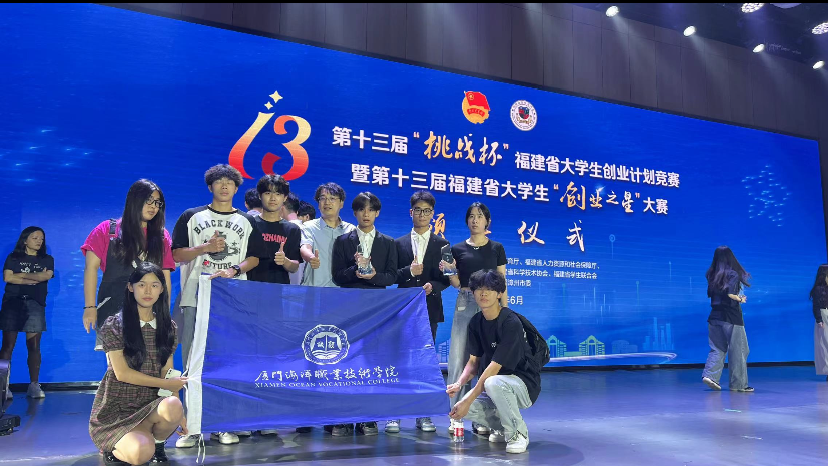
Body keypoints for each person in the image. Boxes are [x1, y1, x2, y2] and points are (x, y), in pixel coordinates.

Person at [171, 164, 263, 448]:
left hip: (233, 300)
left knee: (227, 360)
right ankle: (193, 426)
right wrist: (205, 249)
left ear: (236, 188)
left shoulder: (247, 221)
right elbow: (176, 254)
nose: (224, 186)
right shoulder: (191, 216)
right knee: (193, 362)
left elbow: (254, 257)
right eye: (219, 181)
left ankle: (223, 423)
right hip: (194, 297)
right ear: (210, 186)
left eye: (230, 182)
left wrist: (234, 269)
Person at [89, 263, 186, 466]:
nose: (148, 291)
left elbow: (167, 372)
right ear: (130, 287)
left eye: (154, 285)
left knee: (174, 406)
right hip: (118, 409)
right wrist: (167, 384)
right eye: (142, 284)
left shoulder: (168, 327)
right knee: (140, 454)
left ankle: (157, 443)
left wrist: (180, 415)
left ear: (161, 290)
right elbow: (122, 373)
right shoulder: (115, 325)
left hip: (150, 406)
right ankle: (113, 446)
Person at [446, 270, 540, 454]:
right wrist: (459, 384)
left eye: (489, 289)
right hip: (494, 385)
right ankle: (503, 427)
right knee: (460, 408)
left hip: (523, 385)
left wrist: (468, 398)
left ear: (499, 293)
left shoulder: (510, 322)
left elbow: (494, 368)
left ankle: (518, 433)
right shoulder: (476, 322)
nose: (483, 293)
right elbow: (473, 362)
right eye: (479, 289)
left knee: (491, 383)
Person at [331, 191, 397, 436]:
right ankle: (344, 417)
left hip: (376, 309)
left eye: (370, 209)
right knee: (346, 361)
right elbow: (337, 277)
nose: (366, 214)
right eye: (361, 209)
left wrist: (374, 276)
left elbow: (392, 276)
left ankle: (368, 417)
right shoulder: (342, 241)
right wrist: (354, 270)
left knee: (372, 362)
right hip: (349, 308)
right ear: (355, 213)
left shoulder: (388, 243)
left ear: (377, 213)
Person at [82, 180, 175, 351]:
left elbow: (165, 278)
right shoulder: (106, 230)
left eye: (157, 203)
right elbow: (90, 269)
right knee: (116, 362)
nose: (153, 207)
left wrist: (165, 314)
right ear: (134, 199)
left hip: (150, 311)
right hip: (112, 306)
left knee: (147, 360)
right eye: (148, 200)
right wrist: (90, 307)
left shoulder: (162, 236)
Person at [440, 202, 507, 435]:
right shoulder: (457, 249)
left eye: (480, 216)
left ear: (487, 221)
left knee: (488, 359)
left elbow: (502, 282)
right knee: (460, 358)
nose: (475, 220)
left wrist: (505, 311)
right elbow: (457, 283)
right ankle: (456, 415)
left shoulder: (497, 248)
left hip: (492, 305)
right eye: (471, 216)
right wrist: (449, 272)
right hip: (466, 301)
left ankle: (482, 417)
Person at [388, 190, 449, 433]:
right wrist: (408, 273)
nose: (422, 214)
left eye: (427, 211)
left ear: (432, 214)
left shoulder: (443, 245)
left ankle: (423, 414)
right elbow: (392, 276)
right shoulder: (397, 243)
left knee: (424, 363)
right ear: (410, 212)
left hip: (429, 309)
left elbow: (448, 277)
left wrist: (433, 286)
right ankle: (395, 414)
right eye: (418, 210)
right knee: (400, 360)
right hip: (403, 309)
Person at [0, 227, 53, 400]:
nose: (39, 241)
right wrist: (33, 277)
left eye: (41, 238)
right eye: (35, 237)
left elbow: (46, 276)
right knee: (7, 346)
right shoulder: (13, 257)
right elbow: (8, 277)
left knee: (34, 347)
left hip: (35, 304)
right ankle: (3, 387)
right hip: (12, 304)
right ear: (25, 240)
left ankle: (34, 385)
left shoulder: (47, 259)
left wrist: (21, 276)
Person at [701, 246, 753, 392]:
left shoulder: (712, 274)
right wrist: (740, 299)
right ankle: (739, 385)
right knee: (739, 350)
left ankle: (710, 376)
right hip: (731, 318)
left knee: (717, 349)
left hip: (714, 317)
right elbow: (730, 294)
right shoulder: (732, 274)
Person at [281, 193, 306, 286]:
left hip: (285, 286)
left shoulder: (283, 231)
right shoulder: (309, 230)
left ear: (282, 207)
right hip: (306, 288)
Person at [810, 264, 828, 380]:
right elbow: (816, 306)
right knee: (825, 344)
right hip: (824, 316)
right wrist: (819, 320)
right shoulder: (818, 289)